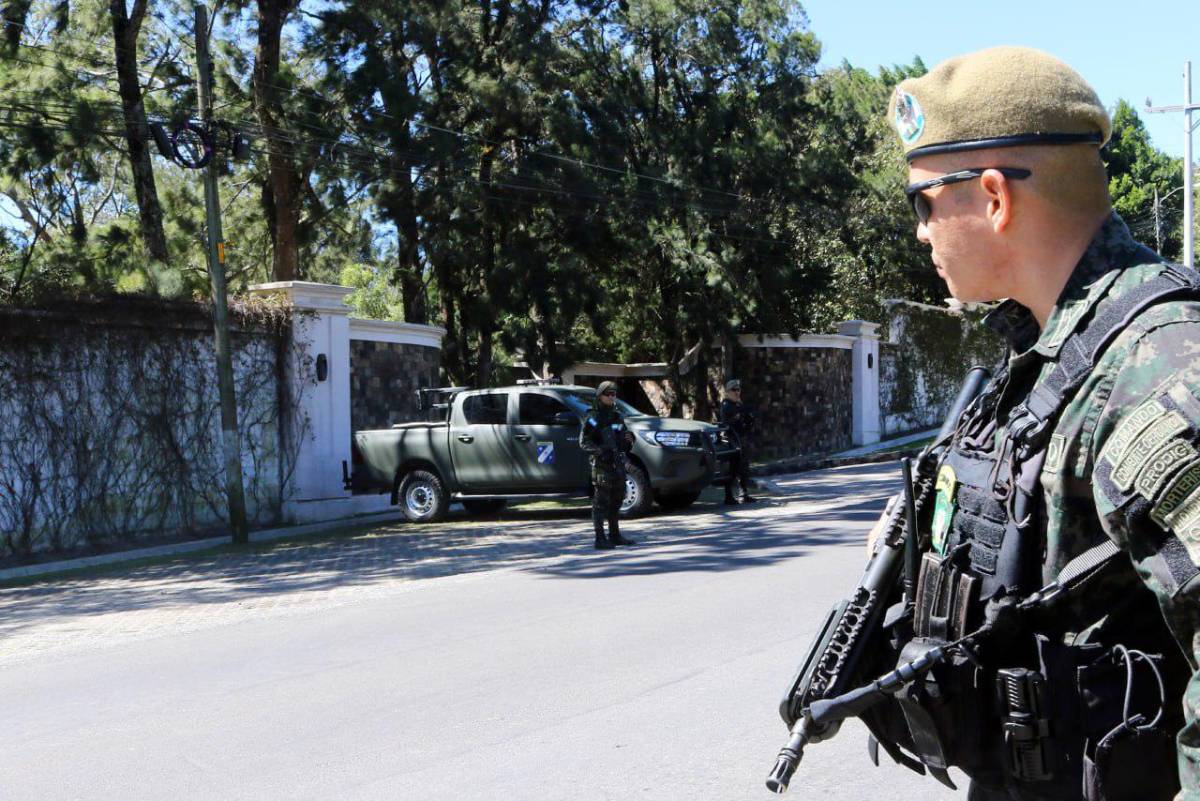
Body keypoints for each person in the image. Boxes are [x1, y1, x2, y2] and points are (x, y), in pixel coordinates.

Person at [859, 46, 1200, 800]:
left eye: (923, 203)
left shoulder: (1162, 364)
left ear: (992, 197)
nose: (920, 232)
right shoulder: (1046, 350)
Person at [580, 381, 637, 550]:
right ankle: (600, 538)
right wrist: (599, 451)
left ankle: (615, 534)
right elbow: (584, 441)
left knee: (617, 499)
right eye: (609, 394)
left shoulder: (617, 416)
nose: (612, 397)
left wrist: (629, 439)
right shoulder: (593, 417)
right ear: (600, 396)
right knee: (601, 502)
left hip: (617, 463)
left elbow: (624, 438)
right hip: (602, 464)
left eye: (614, 394)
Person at [719, 379, 757, 504]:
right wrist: (743, 409)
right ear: (727, 392)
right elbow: (737, 413)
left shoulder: (737, 405)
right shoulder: (727, 405)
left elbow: (748, 417)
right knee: (732, 468)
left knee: (743, 468)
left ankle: (743, 494)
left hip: (740, 440)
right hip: (731, 441)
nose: (737, 392)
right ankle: (728, 496)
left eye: (738, 390)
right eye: (733, 390)